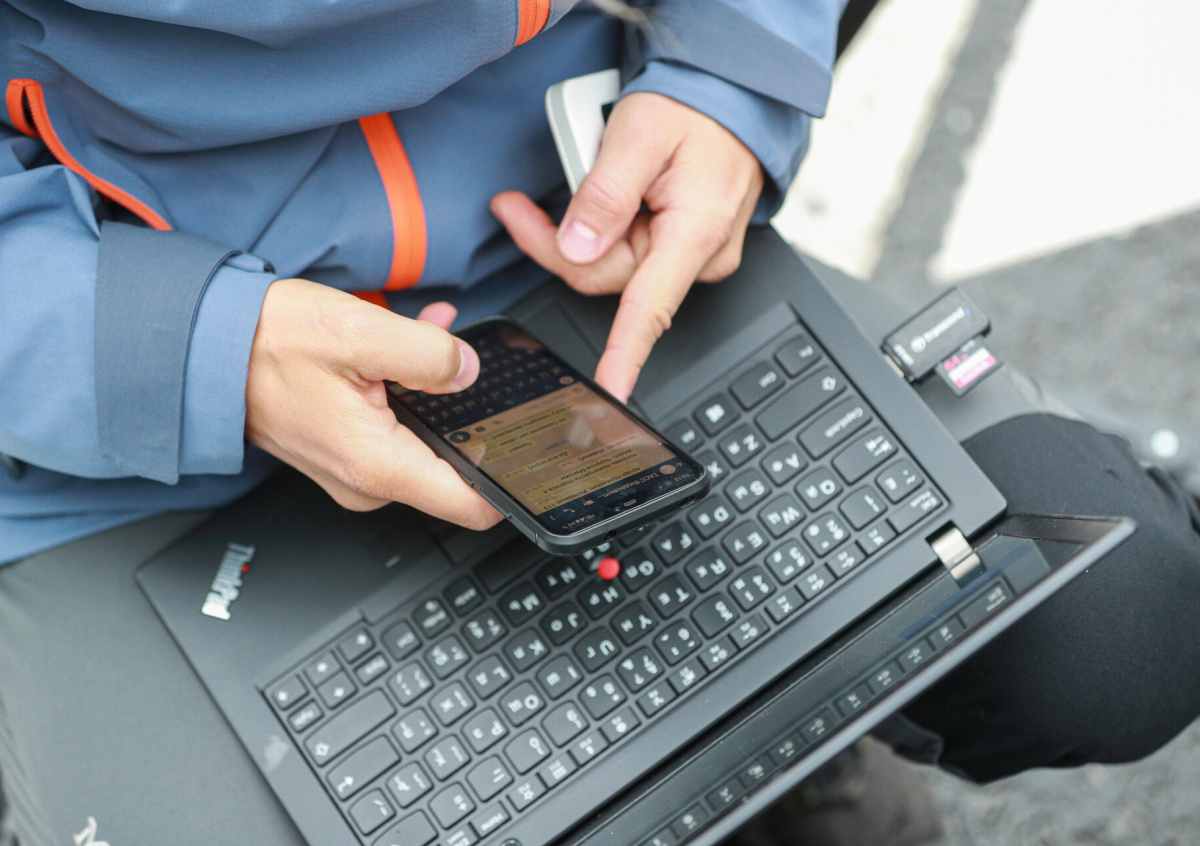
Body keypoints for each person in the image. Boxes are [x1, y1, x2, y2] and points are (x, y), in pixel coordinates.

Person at [3, 2, 1200, 844]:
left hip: (569, 246)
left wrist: (730, 74)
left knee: (1117, 627)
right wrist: (200, 356)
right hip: (120, 407)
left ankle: (769, 737)